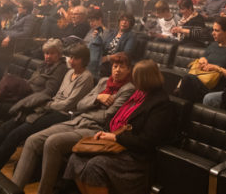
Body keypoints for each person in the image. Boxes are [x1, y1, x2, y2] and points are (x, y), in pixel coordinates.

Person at [13, 53, 136, 194]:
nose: (118, 70)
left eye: (122, 67)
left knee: (53, 143)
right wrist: (97, 98)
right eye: (115, 66)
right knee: (32, 140)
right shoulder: (103, 82)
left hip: (95, 129)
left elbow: (107, 116)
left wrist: (90, 106)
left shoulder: (128, 89)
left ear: (129, 70)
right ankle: (12, 190)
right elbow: (80, 104)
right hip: (77, 120)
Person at [63, 59, 175, 194]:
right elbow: (114, 118)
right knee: (76, 158)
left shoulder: (161, 104)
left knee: (95, 166)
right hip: (116, 143)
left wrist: (115, 138)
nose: (133, 81)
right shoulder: (137, 94)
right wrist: (106, 134)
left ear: (144, 79)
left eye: (136, 78)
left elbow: (147, 141)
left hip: (135, 157)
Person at [0, 39, 67, 152]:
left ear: (59, 54)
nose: (48, 56)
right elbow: (30, 82)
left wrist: (26, 98)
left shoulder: (60, 69)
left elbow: (48, 92)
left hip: (28, 103)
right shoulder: (43, 65)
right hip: (20, 95)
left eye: (52, 53)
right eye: (46, 53)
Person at [174, 16, 226, 103]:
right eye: (213, 30)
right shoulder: (213, 46)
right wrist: (202, 59)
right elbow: (204, 57)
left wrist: (218, 69)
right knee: (180, 81)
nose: (213, 33)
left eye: (216, 30)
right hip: (201, 81)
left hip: (216, 88)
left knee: (186, 80)